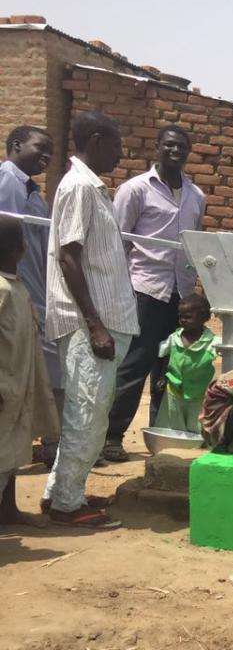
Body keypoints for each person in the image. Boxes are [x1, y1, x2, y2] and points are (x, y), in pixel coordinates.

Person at [41, 112, 137, 530]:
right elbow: (69, 257)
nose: (120, 154)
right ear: (96, 141)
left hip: (102, 320)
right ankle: (67, 505)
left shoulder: (92, 188)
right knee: (87, 413)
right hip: (90, 324)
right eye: (116, 145)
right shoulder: (79, 186)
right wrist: (95, 324)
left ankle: (61, 491)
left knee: (89, 411)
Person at [102, 125, 207, 461]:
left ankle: (162, 436)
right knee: (135, 363)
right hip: (145, 289)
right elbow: (118, 242)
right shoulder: (135, 189)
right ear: (158, 147)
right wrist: (117, 290)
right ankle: (111, 436)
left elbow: (194, 245)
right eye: (169, 145)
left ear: (188, 152)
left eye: (181, 147)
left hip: (181, 294)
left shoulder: (196, 195)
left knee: (171, 368)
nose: (175, 151)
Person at [0, 125, 59, 464]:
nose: (46, 155)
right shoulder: (9, 181)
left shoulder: (30, 189)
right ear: (16, 145)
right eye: (40, 147)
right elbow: (7, 237)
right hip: (19, 288)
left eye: (51, 150)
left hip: (34, 289)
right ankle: (50, 443)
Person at [0, 216, 58, 526]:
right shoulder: (3, 289)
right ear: (20, 248)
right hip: (4, 388)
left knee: (13, 450)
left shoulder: (16, 286)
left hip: (18, 386)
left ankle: (7, 510)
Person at [153, 294, 220, 433]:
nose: (182, 320)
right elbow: (166, 356)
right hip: (174, 390)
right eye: (180, 317)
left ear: (203, 317)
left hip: (199, 392)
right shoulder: (174, 338)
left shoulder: (212, 342)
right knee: (173, 424)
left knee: (197, 426)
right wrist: (163, 377)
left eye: (188, 317)